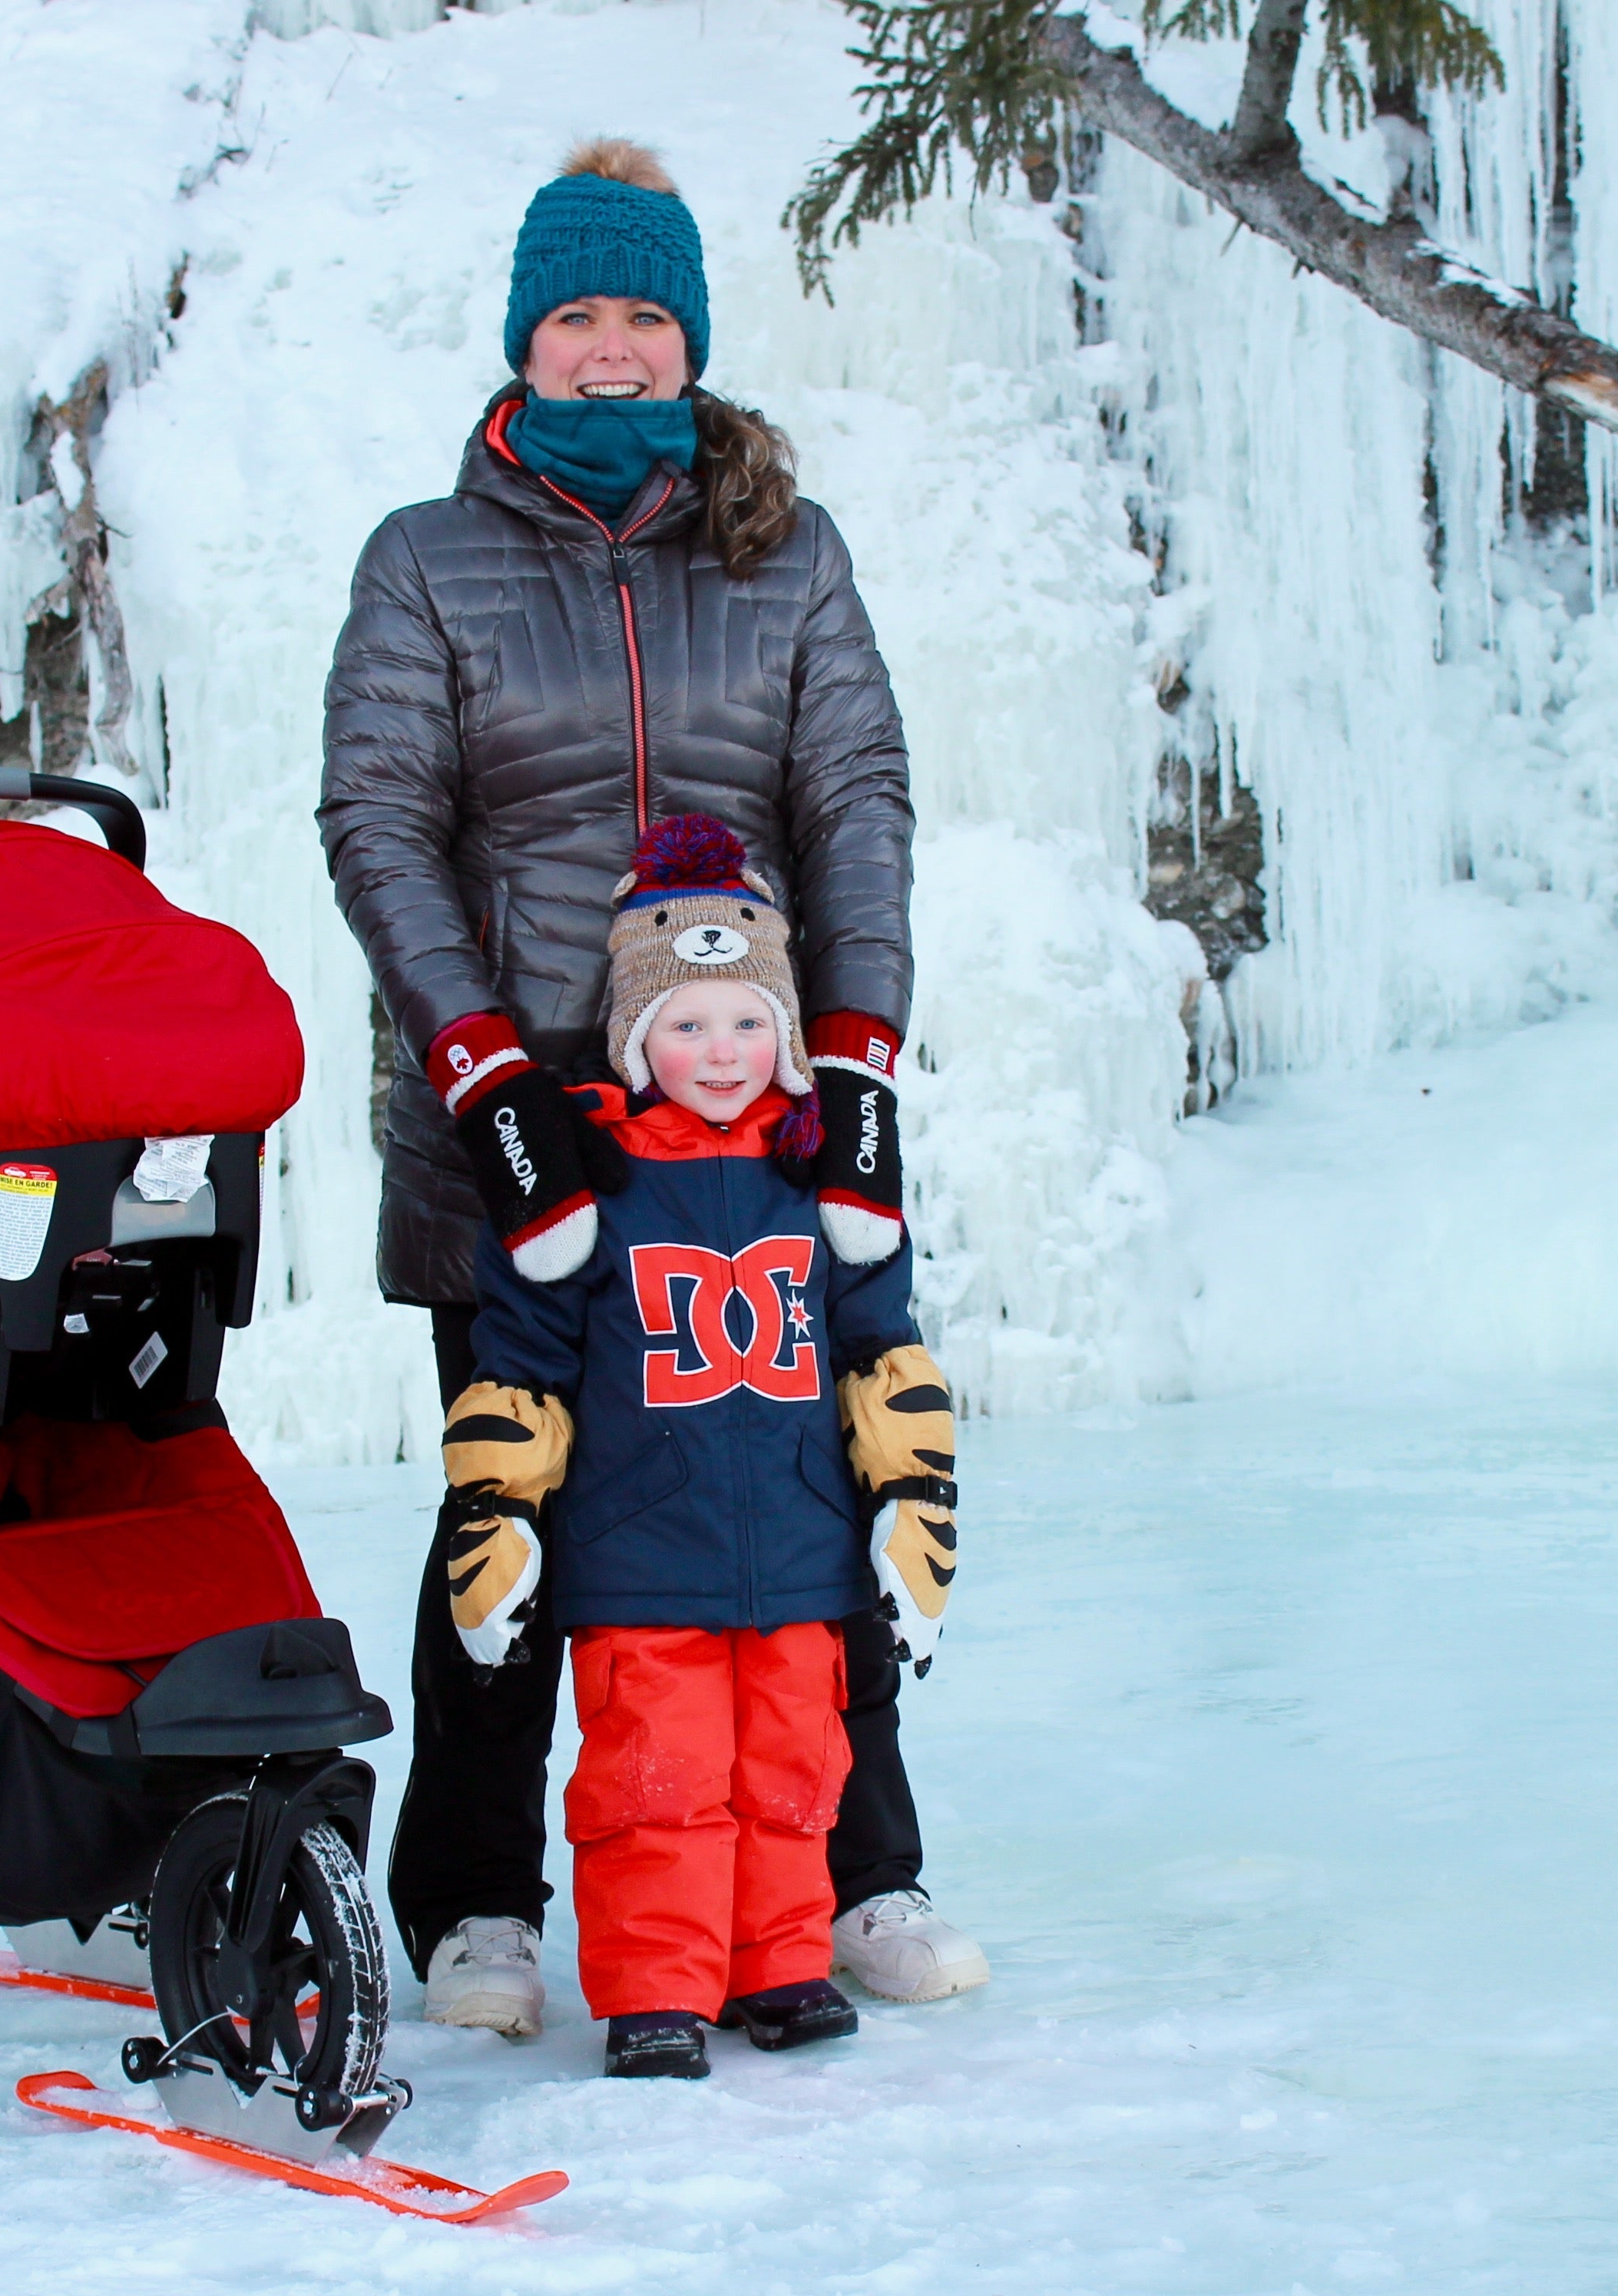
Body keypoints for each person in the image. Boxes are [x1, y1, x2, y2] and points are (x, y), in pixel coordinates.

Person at [319, 136, 987, 2035]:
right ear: (523, 339)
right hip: (511, 1142)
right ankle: (471, 1901)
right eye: (574, 317)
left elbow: (852, 806)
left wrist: (849, 1070)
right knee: (510, 1510)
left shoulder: (781, 552)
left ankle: (852, 1874)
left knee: (801, 1494)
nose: (609, 352)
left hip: (745, 1132)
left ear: (684, 340)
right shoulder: (426, 561)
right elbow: (379, 817)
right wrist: (484, 1081)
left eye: (642, 319)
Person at [435, 822, 959, 2076]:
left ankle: (774, 1967)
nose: (716, 1053)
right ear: (631, 1040)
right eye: (681, 1026)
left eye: (743, 1024)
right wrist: (495, 1524)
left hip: (795, 1553)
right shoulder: (592, 1193)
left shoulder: (822, 1191)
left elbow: (880, 1354)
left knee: (792, 1773)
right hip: (639, 1552)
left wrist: (912, 1509)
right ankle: (655, 1989)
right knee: (654, 1781)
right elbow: (521, 1371)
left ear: (783, 1035)